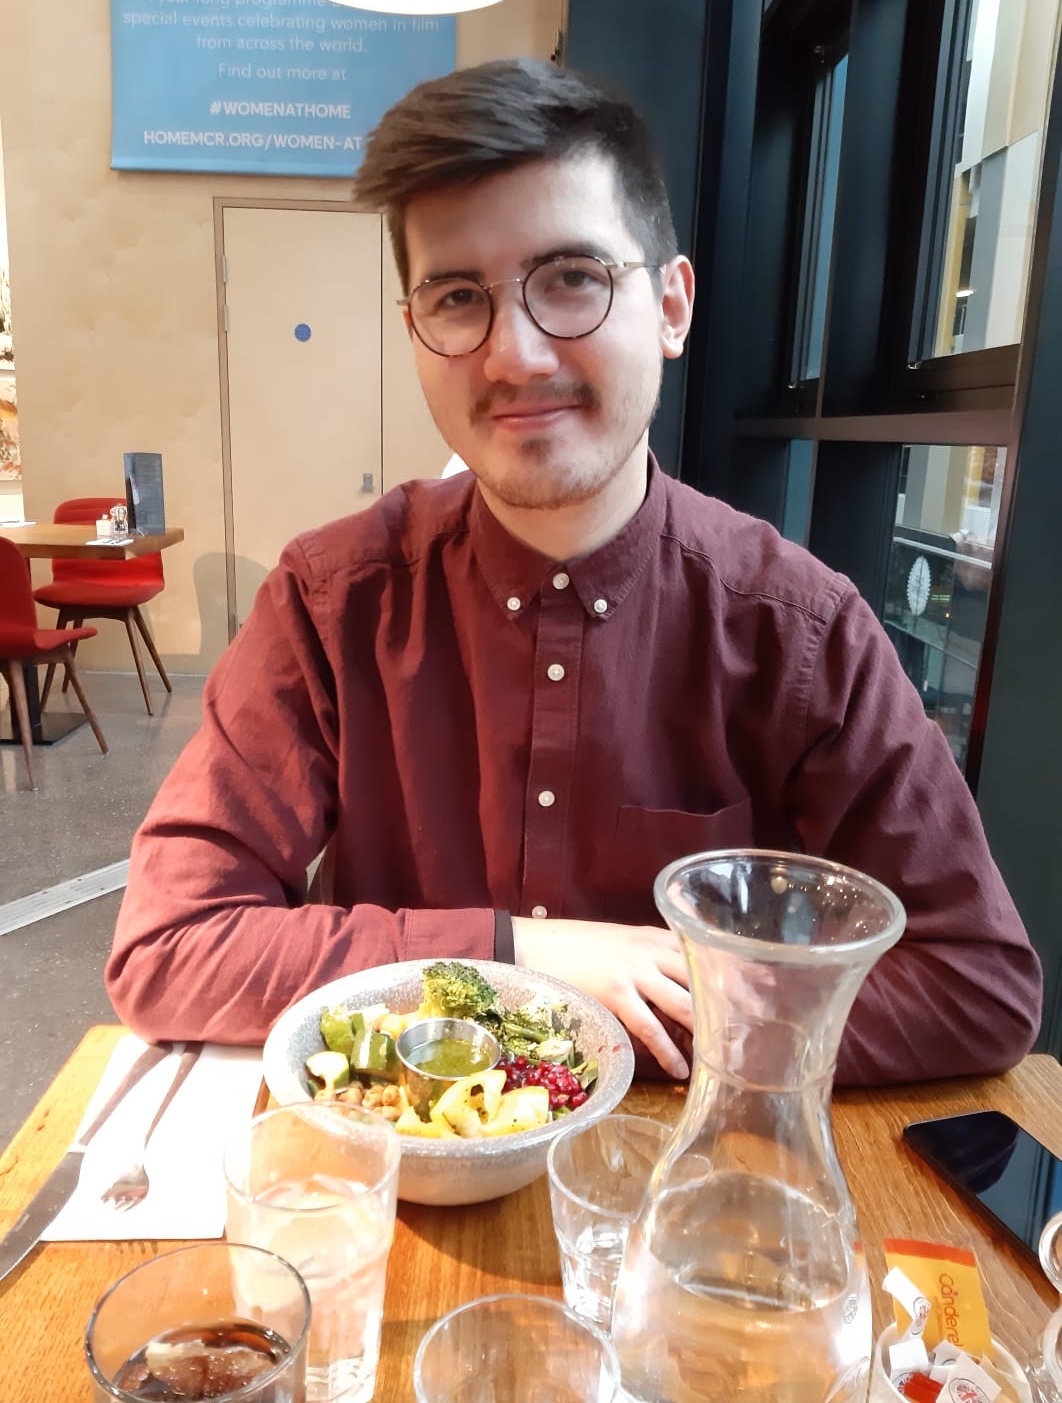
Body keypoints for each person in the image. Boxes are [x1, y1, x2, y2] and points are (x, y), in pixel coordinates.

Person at [106, 57, 1041, 1085]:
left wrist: (656, 1018)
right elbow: (169, 947)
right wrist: (515, 960)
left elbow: (975, 983)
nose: (516, 356)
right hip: (402, 1157)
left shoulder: (797, 630)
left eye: (573, 280)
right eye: (458, 297)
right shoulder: (334, 600)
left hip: (687, 1170)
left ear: (672, 306)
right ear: (415, 330)